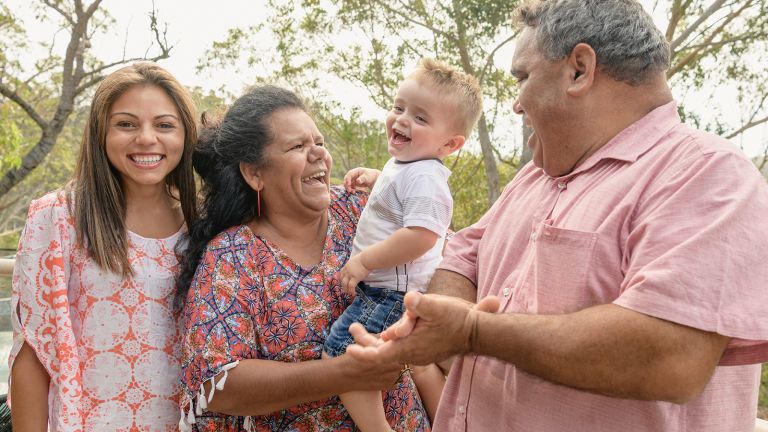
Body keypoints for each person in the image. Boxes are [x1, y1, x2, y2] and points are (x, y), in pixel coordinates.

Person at [347, 1, 768, 431]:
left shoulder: (707, 173)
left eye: (524, 77)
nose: (516, 103)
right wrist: (446, 323)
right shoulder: (535, 176)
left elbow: (674, 356)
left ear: (579, 70)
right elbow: (460, 260)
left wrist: (475, 334)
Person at [176, 85, 430, 431]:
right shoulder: (233, 257)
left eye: (319, 143)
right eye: (297, 146)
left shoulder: (363, 209)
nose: (318, 155)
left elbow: (441, 251)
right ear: (254, 173)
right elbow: (217, 383)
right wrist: (340, 373)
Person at [8, 61, 198, 431]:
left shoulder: (203, 224)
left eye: (164, 125)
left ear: (185, 135)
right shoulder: (58, 217)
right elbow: (34, 349)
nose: (146, 138)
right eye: (126, 124)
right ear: (100, 133)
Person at [323, 58, 482, 431]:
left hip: (391, 293)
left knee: (342, 354)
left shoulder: (426, 176)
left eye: (420, 118)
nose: (402, 120)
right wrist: (377, 178)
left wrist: (365, 261)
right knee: (419, 362)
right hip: (398, 291)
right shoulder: (409, 165)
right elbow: (401, 194)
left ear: (450, 143)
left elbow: (422, 235)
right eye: (398, 107)